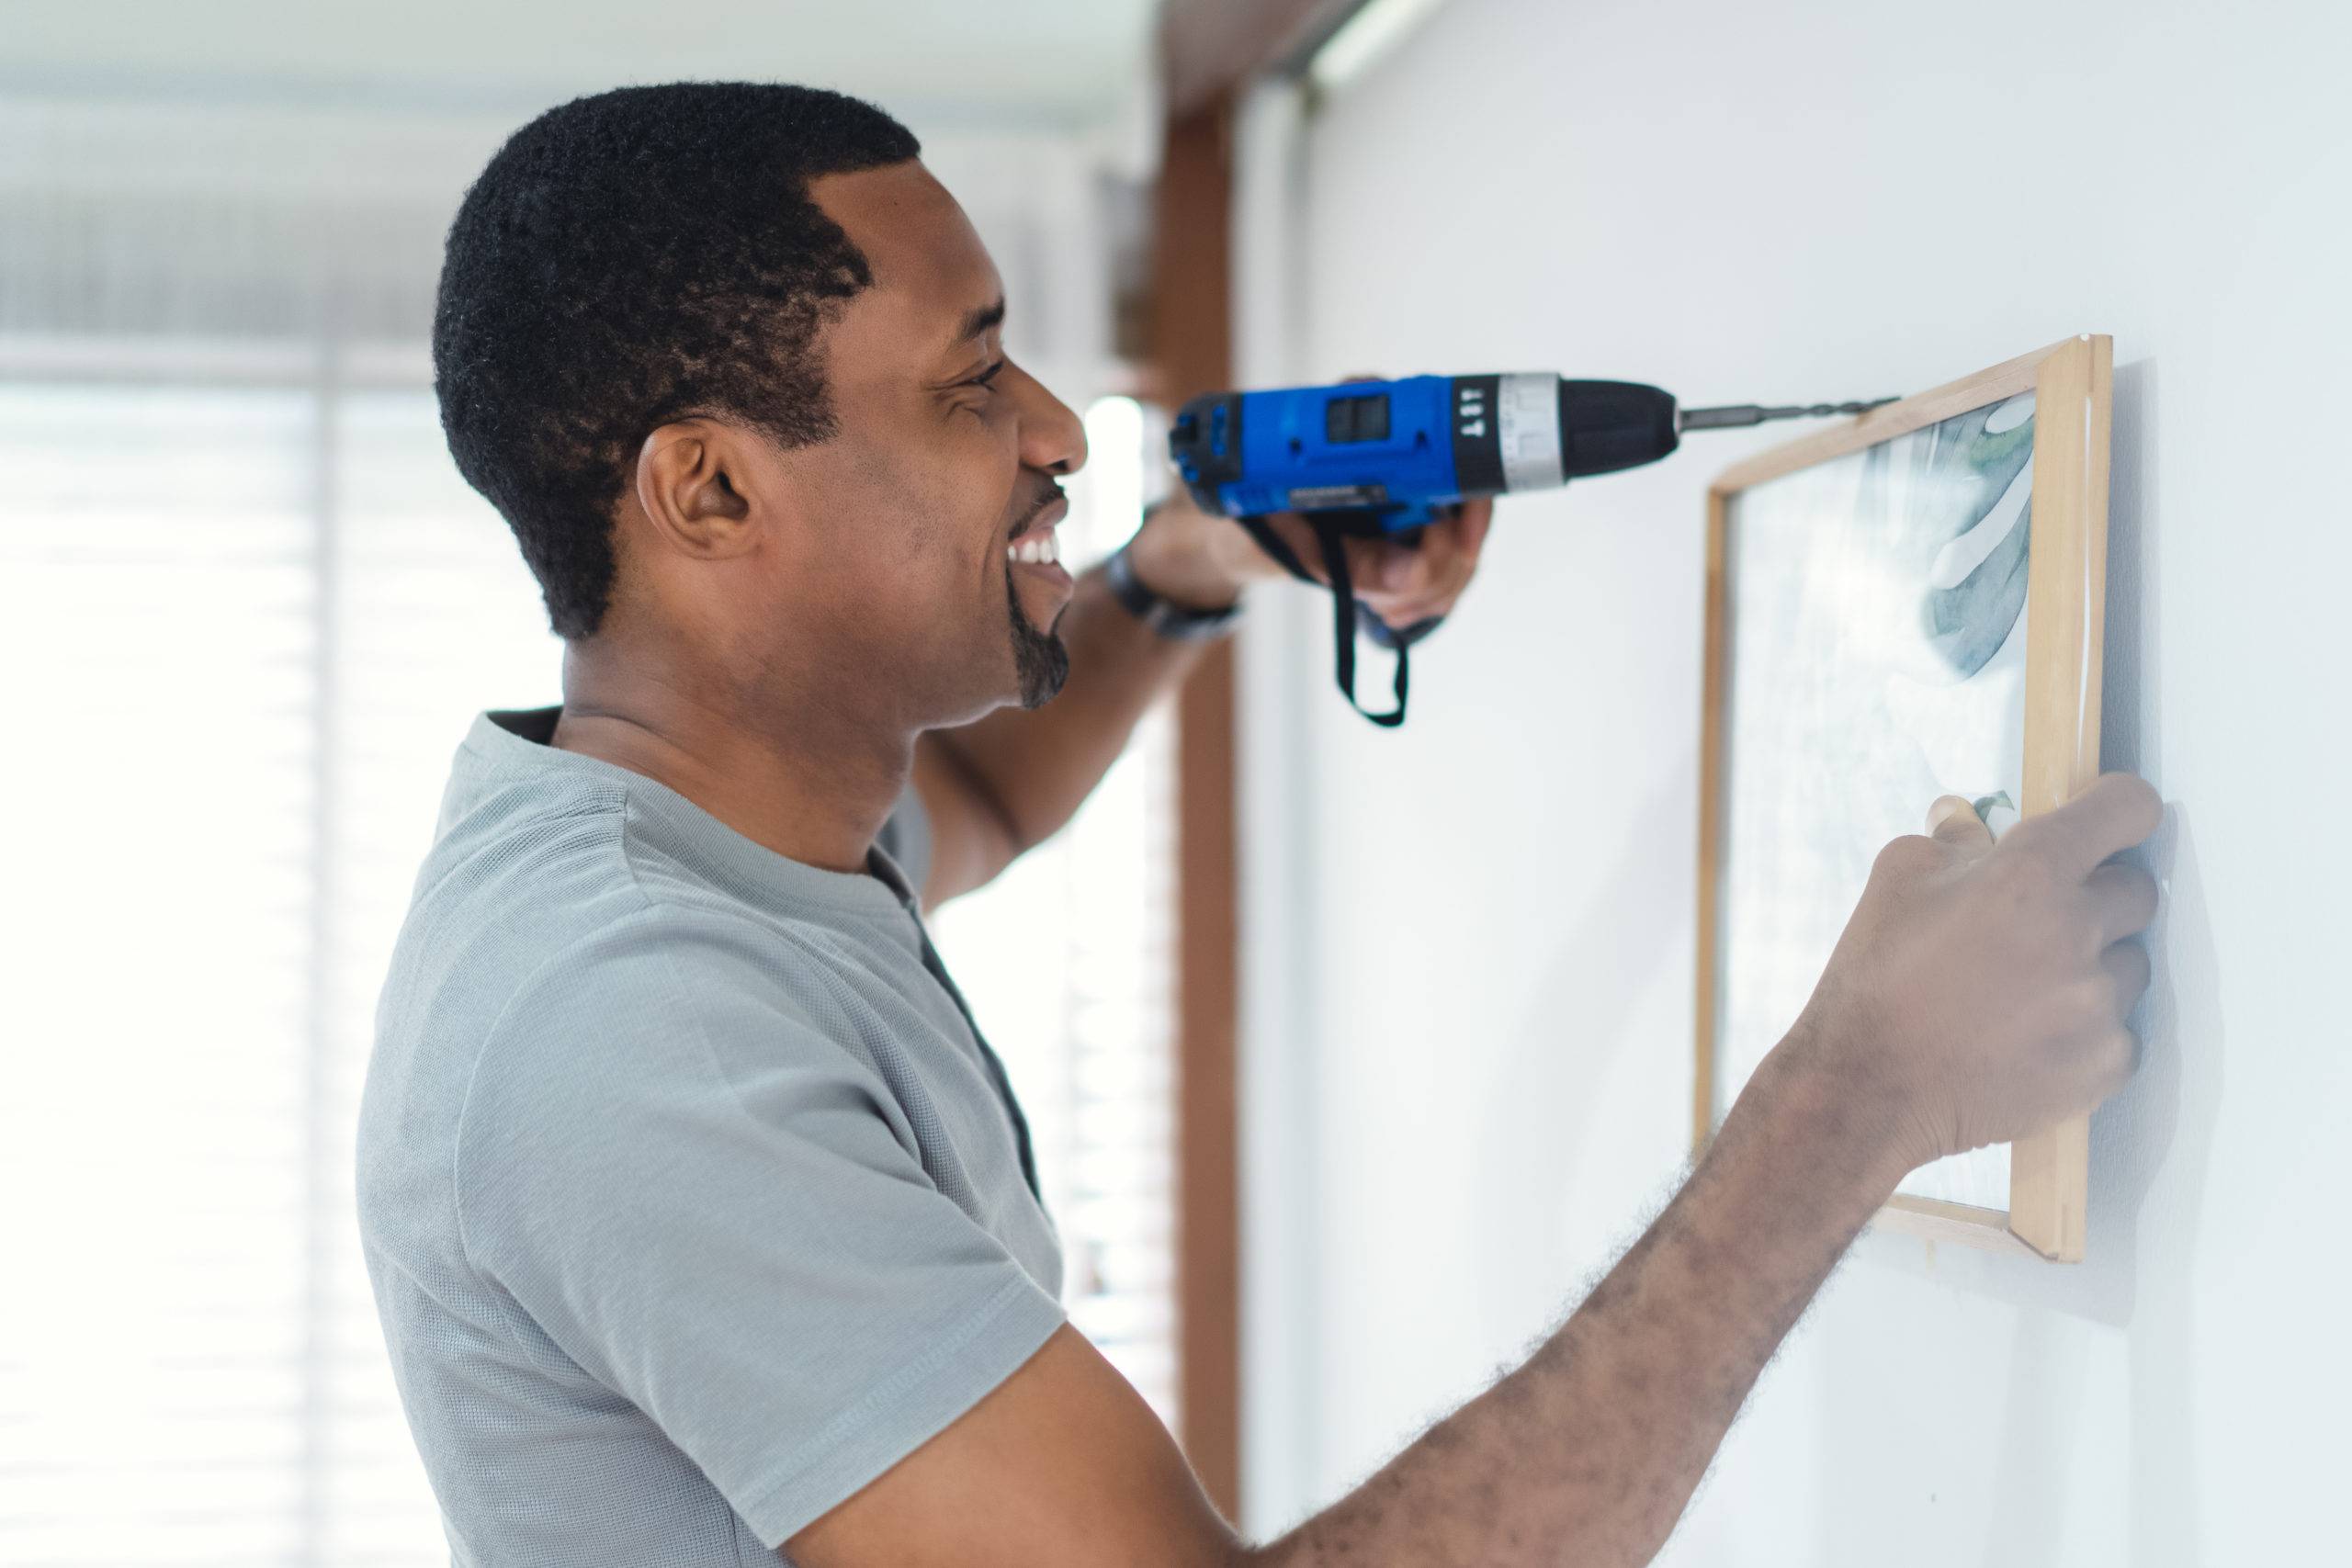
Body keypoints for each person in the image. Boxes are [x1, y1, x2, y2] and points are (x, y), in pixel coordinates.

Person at [356, 82, 2160, 1568]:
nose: (1060, 427)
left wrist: (1186, 567)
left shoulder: (700, 813)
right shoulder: (623, 1030)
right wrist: (1849, 1099)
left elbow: (969, 807)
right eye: (970, 379)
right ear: (712, 487)